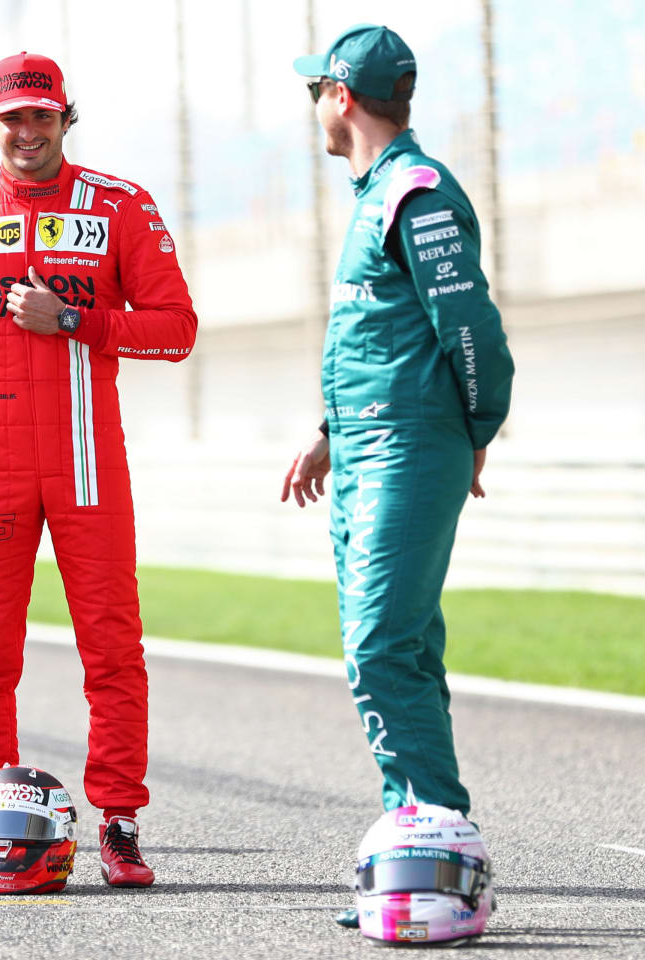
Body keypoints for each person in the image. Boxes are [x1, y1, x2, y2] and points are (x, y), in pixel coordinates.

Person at [0, 51, 198, 889]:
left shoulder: (119, 206)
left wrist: (73, 317)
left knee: (112, 648)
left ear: (68, 118)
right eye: (13, 118)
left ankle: (121, 823)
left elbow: (176, 328)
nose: (27, 132)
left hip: (87, 464)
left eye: (43, 116)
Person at [281, 24, 514, 927]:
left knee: (380, 642)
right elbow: (379, 339)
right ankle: (423, 845)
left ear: (342, 97)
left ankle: (435, 835)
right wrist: (329, 431)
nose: (316, 112)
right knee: (398, 652)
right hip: (369, 444)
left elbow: (470, 329)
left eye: (317, 94)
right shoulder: (376, 192)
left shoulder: (416, 191)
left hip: (412, 446)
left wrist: (474, 427)